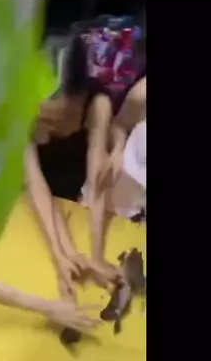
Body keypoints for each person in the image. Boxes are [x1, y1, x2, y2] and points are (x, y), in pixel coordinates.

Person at [27, 17, 146, 301]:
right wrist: (62, 255)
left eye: (58, 118)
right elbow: (37, 188)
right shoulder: (21, 117)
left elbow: (97, 186)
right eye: (43, 119)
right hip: (38, 188)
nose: (48, 129)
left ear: (80, 100)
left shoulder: (98, 105)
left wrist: (96, 256)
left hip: (72, 183)